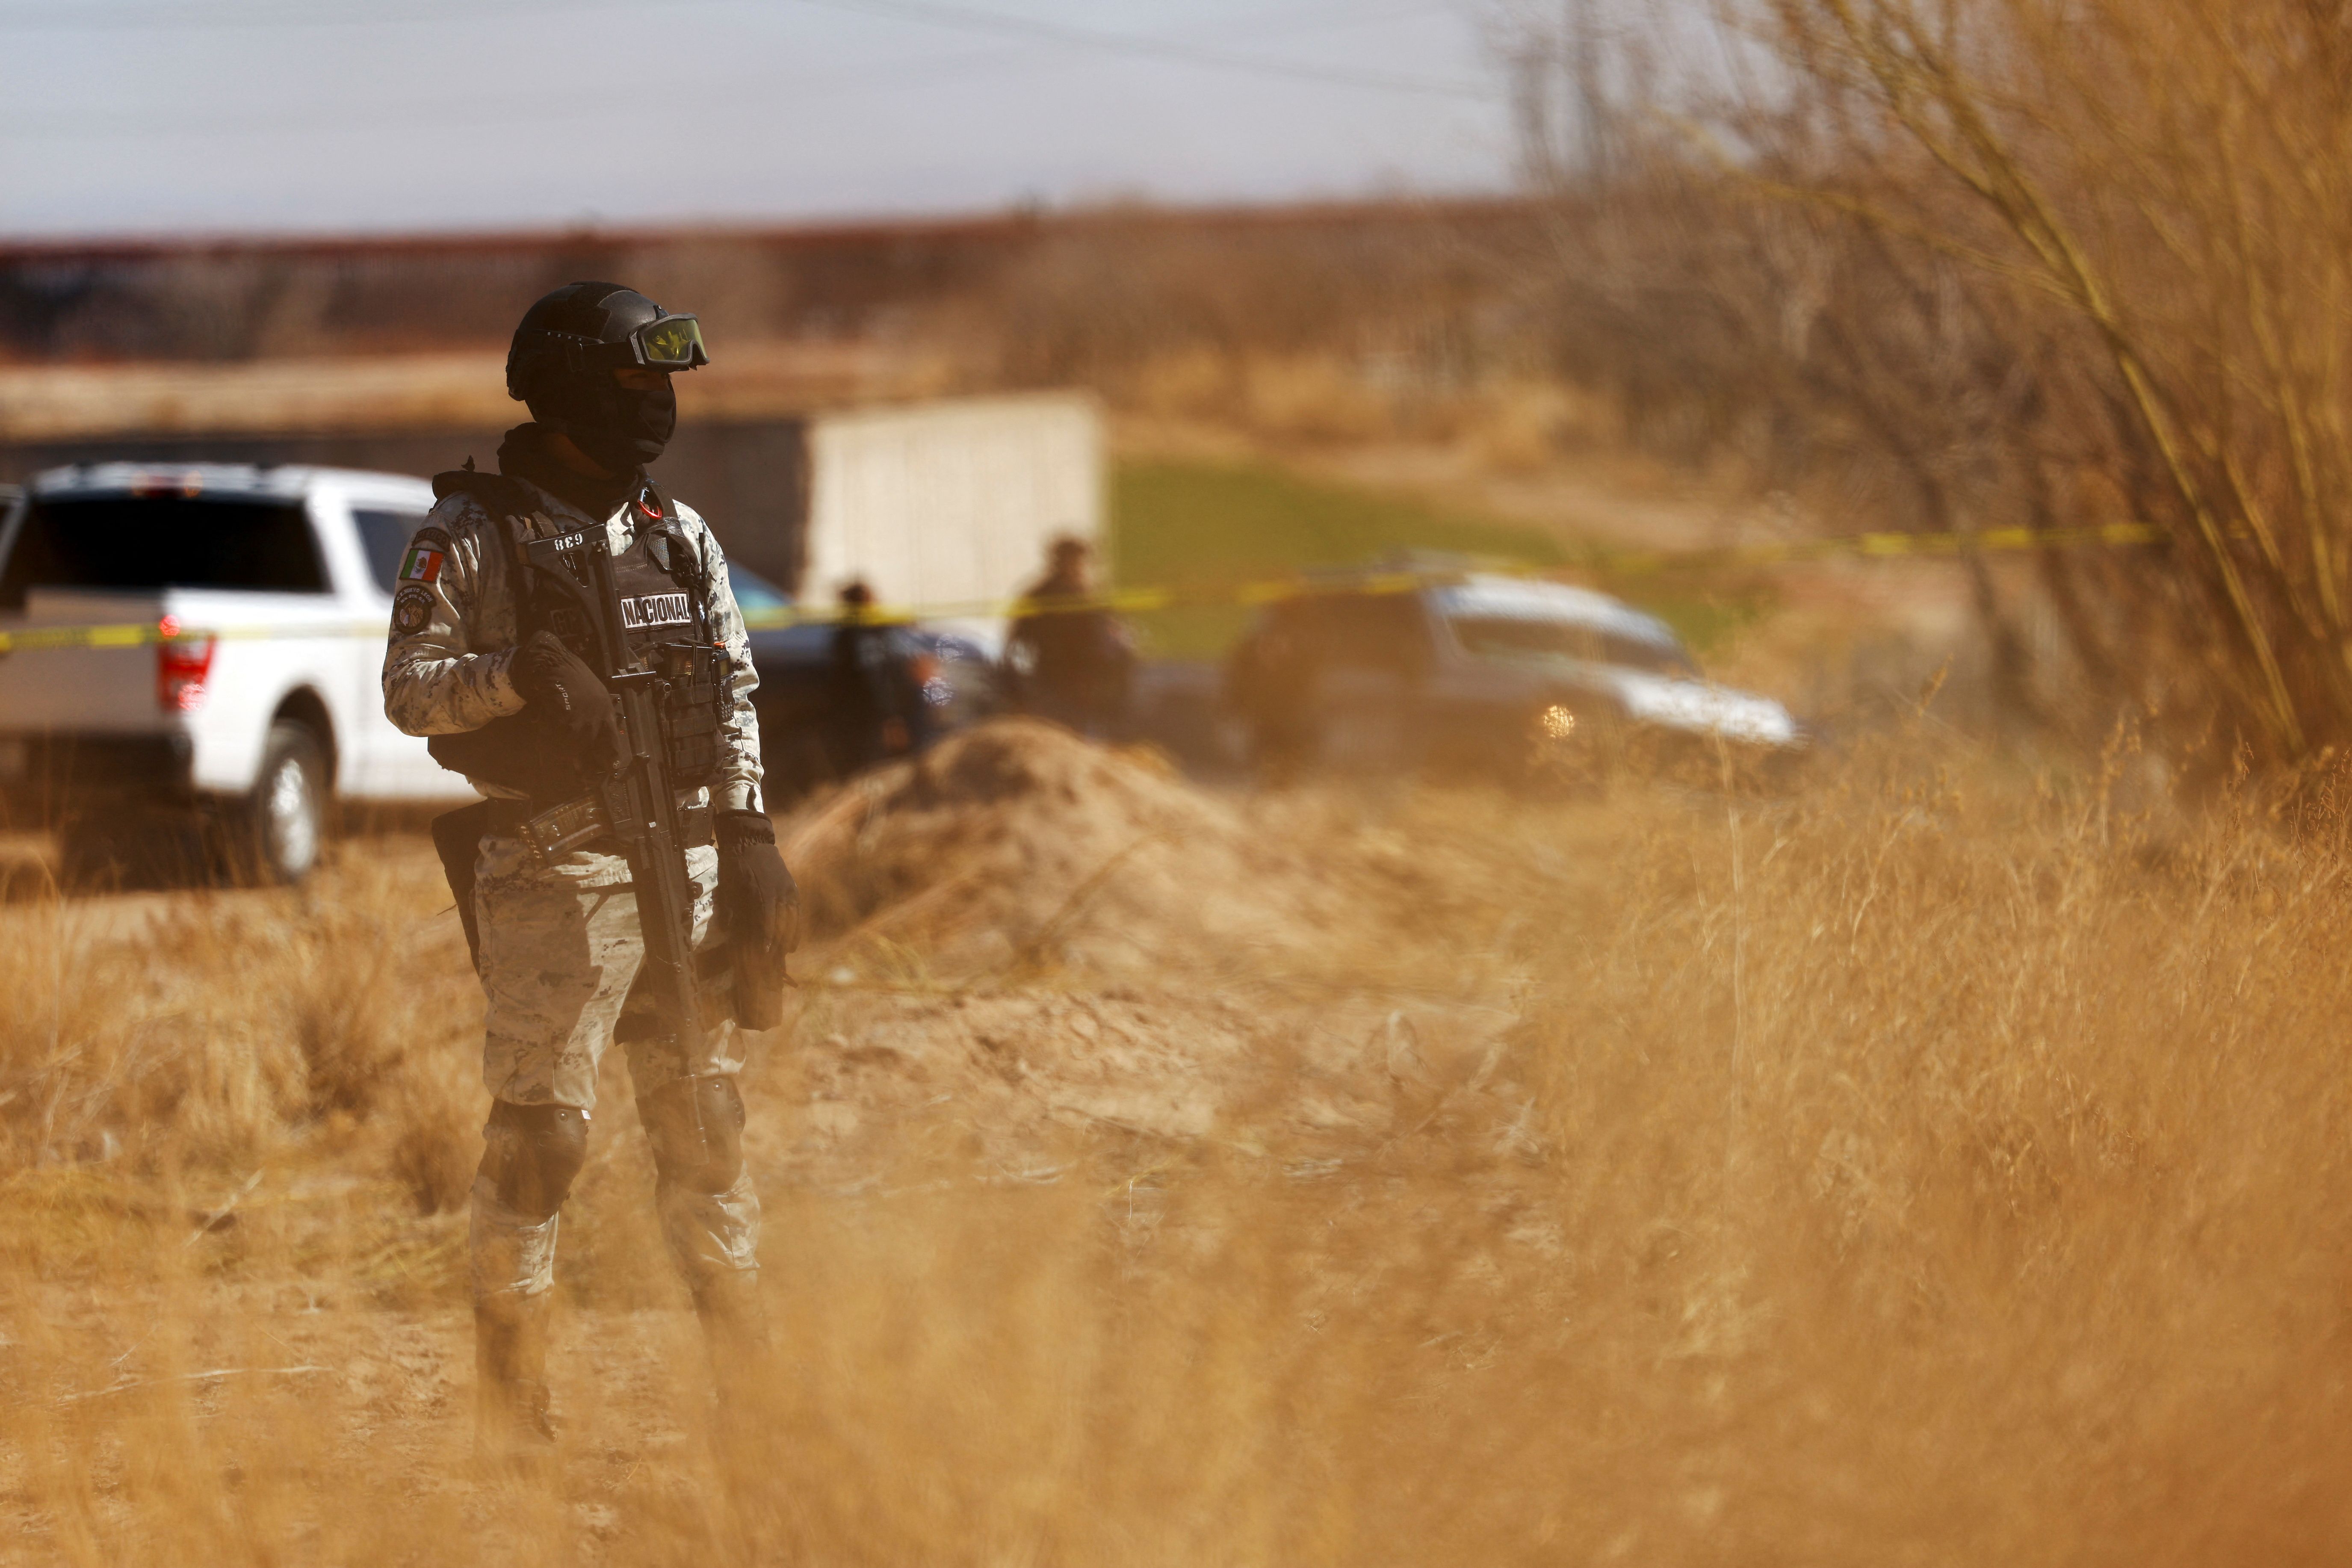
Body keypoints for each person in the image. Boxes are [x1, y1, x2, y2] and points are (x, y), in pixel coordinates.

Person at [381, 282, 798, 1456]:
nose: (656, 407)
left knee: (705, 1126)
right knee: (543, 1140)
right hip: (550, 872)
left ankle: (750, 1393)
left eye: (663, 384)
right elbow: (410, 690)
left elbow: (735, 689)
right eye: (632, 385)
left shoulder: (677, 531)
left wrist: (754, 834)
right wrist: (522, 670)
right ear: (563, 387)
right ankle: (512, 1403)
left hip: (689, 863)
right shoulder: (471, 534)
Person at [1005, 535, 1134, 738]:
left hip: (1088, 685)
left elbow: (1115, 640)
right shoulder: (1041, 596)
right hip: (1053, 682)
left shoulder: (1092, 596)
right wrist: (1019, 690)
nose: (1076, 567)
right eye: (1070, 560)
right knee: (1056, 738)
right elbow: (1015, 643)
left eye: (1080, 561)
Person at [825, 580, 924, 775]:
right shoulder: (862, 637)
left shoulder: (869, 631)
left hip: (873, 714)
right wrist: (891, 718)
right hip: (872, 717)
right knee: (880, 769)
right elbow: (875, 678)